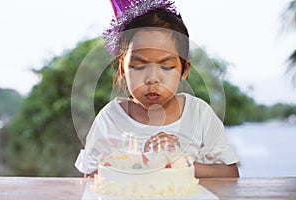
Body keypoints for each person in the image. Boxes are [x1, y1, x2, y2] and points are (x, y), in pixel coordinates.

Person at [75, 0, 239, 178]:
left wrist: (178, 162)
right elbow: (90, 177)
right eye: (138, 66)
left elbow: (230, 174)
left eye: (166, 67)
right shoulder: (109, 119)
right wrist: (133, 163)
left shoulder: (199, 114)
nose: (152, 79)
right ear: (122, 68)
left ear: (184, 70)